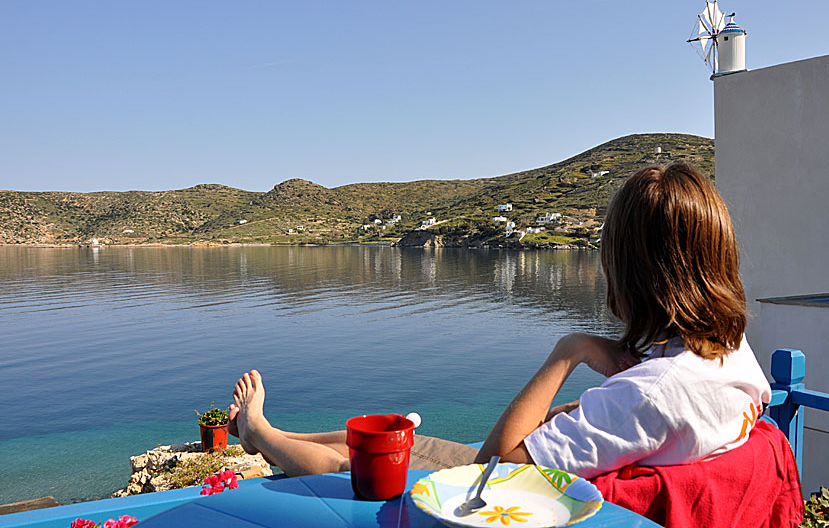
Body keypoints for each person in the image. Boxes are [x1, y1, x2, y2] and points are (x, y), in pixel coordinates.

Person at [227, 163, 771, 480]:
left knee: (368, 471)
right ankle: (276, 435)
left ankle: (261, 431)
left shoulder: (655, 390)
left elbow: (497, 463)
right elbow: (658, 418)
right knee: (404, 438)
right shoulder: (730, 352)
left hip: (492, 498)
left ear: (629, 270)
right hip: (555, 475)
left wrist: (572, 350)